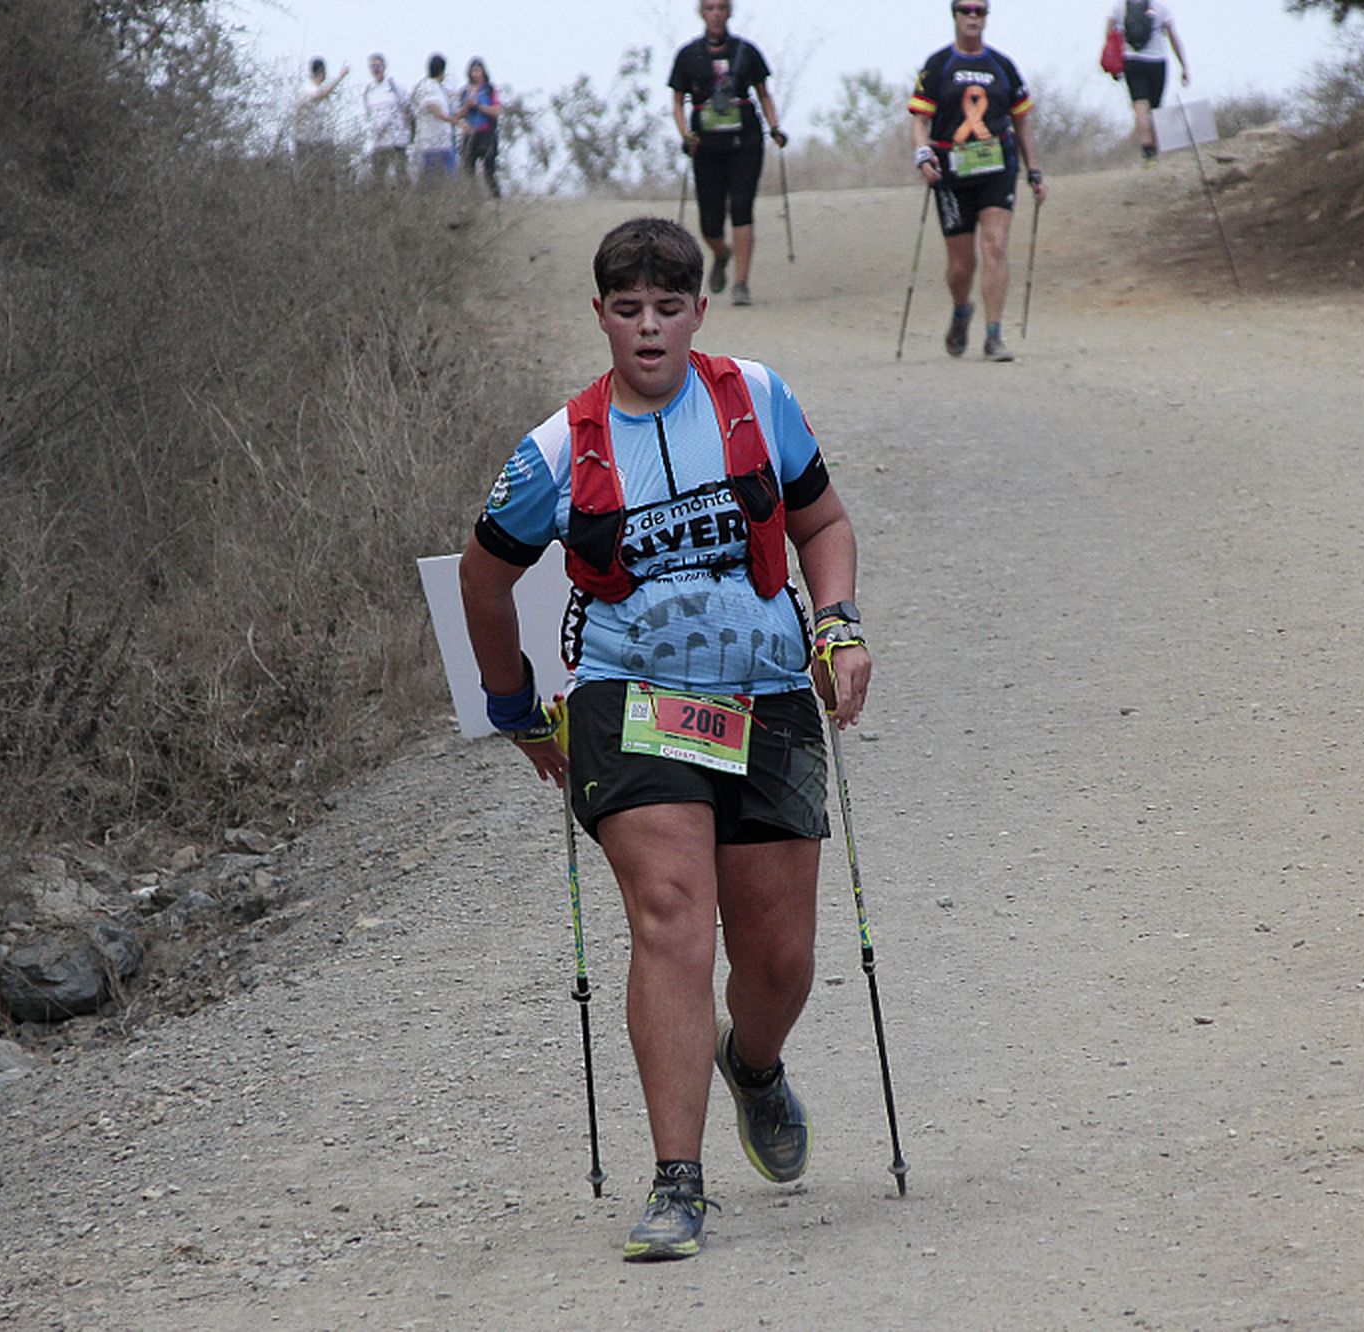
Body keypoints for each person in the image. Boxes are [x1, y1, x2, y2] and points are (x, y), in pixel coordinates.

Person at [458, 217, 871, 1262]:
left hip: (770, 694)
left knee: (779, 959)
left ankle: (757, 1063)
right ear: (599, 315)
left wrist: (837, 625)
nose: (648, 329)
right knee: (672, 915)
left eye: (668, 307)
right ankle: (677, 1181)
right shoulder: (558, 447)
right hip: (626, 699)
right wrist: (513, 708)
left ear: (698, 310)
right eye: (628, 310)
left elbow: (822, 525)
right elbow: (482, 575)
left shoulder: (756, 399)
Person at [909, 1, 1048, 362]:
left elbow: (1022, 123)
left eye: (980, 11)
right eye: (965, 10)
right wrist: (923, 155)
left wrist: (1034, 170)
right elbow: (920, 120)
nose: (973, 17)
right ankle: (961, 311)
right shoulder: (939, 65)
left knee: (995, 245)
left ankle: (994, 335)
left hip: (997, 168)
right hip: (951, 172)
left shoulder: (1002, 66)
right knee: (960, 265)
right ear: (954, 16)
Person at [669, 0, 788, 308]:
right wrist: (686, 135)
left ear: (729, 12)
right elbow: (677, 101)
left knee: (741, 206)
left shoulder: (746, 52)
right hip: (705, 147)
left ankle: (741, 284)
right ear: (702, 13)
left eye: (721, 8)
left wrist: (775, 127)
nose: (716, 14)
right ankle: (722, 253)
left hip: (745, 141)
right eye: (710, 8)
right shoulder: (688, 55)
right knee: (710, 222)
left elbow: (763, 93)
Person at [1107, 1, 1189, 165]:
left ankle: (1148, 153)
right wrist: (1184, 66)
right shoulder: (1161, 8)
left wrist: (1113, 64)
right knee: (1155, 110)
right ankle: (1155, 152)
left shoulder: (1119, 8)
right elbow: (1173, 37)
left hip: (1131, 61)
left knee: (1140, 108)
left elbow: (1109, 35)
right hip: (1157, 62)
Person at [291, 56, 348, 181]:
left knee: (326, 178)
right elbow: (320, 95)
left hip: (322, 142)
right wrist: (340, 77)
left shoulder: (317, 90)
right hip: (306, 143)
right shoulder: (306, 89)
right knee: (308, 178)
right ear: (322, 72)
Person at [362, 52, 414, 185]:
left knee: (401, 175)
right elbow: (368, 114)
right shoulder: (369, 90)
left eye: (378, 65)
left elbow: (408, 108)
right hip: (379, 141)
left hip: (397, 140)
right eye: (372, 66)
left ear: (384, 67)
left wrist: (409, 132)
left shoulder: (395, 86)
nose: (376, 69)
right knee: (377, 179)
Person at [458, 58, 502, 198]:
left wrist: (478, 105)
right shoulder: (464, 91)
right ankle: (473, 198)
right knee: (468, 169)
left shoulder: (490, 90)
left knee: (489, 169)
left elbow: (497, 111)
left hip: (486, 133)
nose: (475, 74)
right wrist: (467, 105)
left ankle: (496, 198)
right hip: (470, 134)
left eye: (478, 70)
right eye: (473, 71)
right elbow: (458, 115)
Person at [413, 54, 461, 179]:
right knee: (434, 179)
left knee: (452, 177)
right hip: (431, 143)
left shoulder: (439, 89)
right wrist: (455, 121)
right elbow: (435, 111)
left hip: (444, 141)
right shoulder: (427, 87)